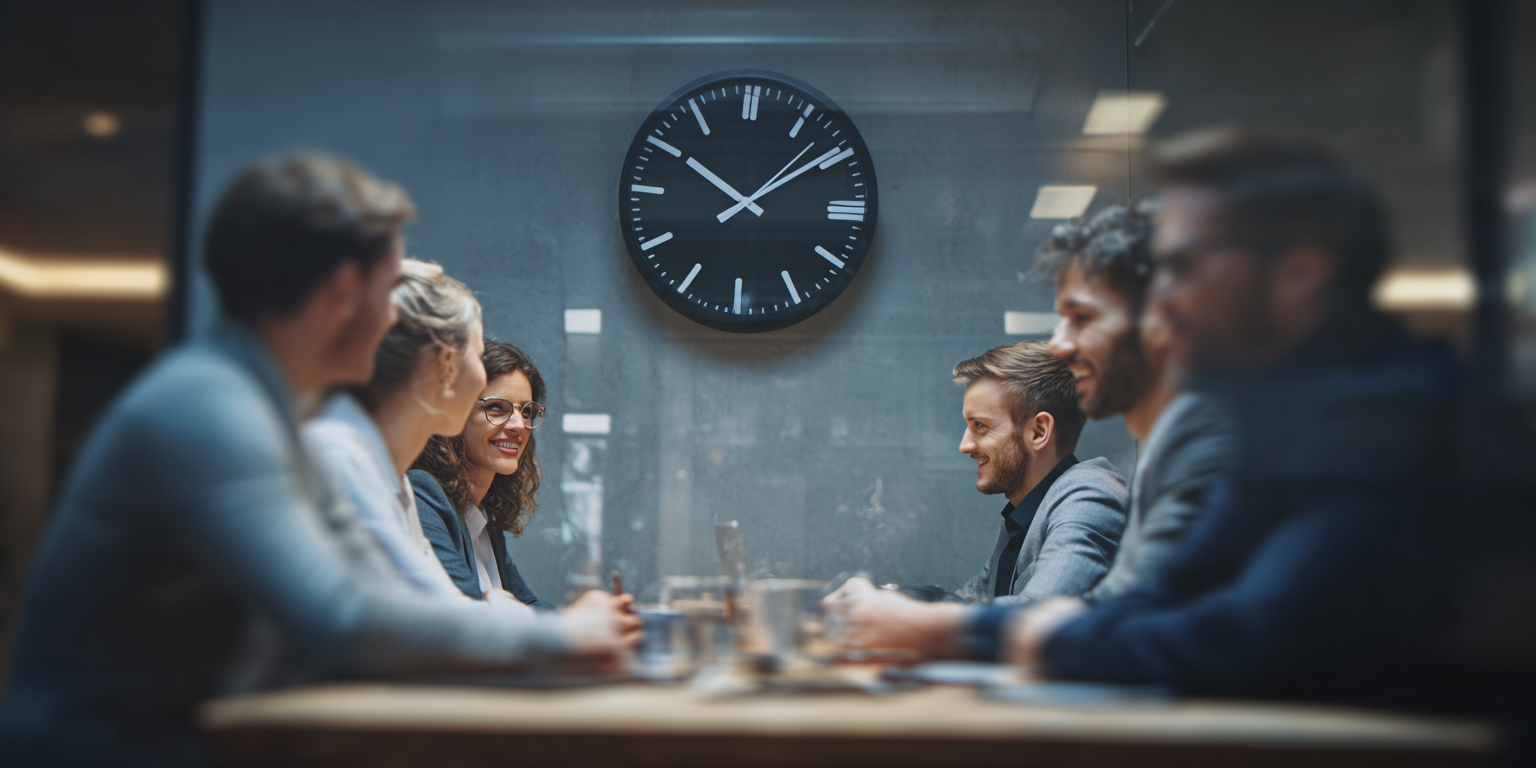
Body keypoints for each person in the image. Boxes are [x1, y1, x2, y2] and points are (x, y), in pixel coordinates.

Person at [0, 155, 634, 768]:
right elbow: (345, 620)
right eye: (391, 291)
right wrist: (562, 639)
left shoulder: (266, 411)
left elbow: (391, 609)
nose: (398, 321)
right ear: (341, 294)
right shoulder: (210, 407)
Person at [983, 127, 1467, 702]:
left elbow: (1239, 634)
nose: (1158, 301)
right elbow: (1145, 605)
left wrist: (978, 634)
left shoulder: (1387, 416)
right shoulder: (1283, 422)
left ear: (1299, 274)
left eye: (1183, 266)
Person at [828, 204, 1232, 653]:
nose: (1061, 342)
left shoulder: (1091, 496)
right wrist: (890, 599)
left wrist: (915, 624)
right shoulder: (1035, 508)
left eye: (1082, 317)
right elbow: (982, 605)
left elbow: (1045, 620)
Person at [304, 259, 530, 616]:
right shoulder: (342, 456)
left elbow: (442, 609)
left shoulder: (394, 479)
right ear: (445, 365)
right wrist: (502, 614)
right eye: (476, 355)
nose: (518, 423)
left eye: (527, 411)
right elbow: (432, 623)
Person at [1040, 203, 1234, 605]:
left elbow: (1143, 622)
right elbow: (1115, 603)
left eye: (1082, 317)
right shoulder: (1169, 448)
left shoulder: (1220, 450)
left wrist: (945, 629)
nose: (1058, 344)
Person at [410, 340, 554, 609]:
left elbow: (529, 603)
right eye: (497, 407)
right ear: (453, 415)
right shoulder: (423, 494)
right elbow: (471, 615)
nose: (519, 425)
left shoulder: (482, 513)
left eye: (526, 411)